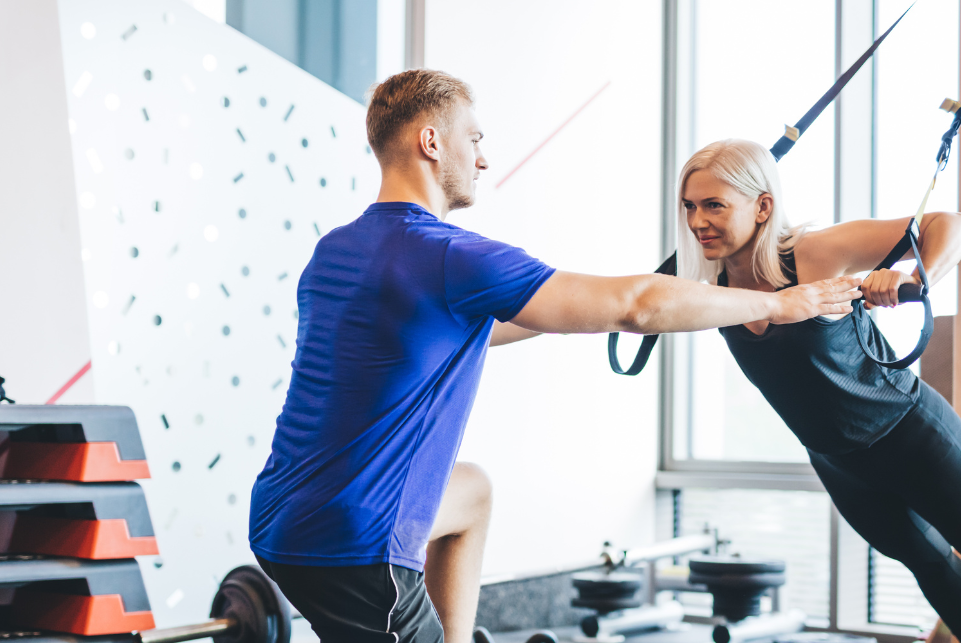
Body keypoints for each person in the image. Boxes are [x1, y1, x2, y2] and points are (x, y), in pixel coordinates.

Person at [247, 71, 864, 643]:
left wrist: (574, 310)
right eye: (475, 137)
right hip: (358, 547)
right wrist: (782, 306)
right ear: (431, 142)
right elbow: (638, 308)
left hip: (279, 518)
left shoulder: (339, 250)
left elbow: (468, 332)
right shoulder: (448, 254)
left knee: (472, 492)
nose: (483, 156)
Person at [675, 139, 961, 643]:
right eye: (690, 206)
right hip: (839, 463)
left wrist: (914, 276)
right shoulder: (712, 288)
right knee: (930, 565)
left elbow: (954, 224)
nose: (698, 221)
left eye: (714, 205)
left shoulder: (812, 255)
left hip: (911, 434)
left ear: (762, 206)